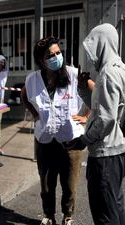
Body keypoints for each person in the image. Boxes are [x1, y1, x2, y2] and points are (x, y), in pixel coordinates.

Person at [21, 36, 87, 225]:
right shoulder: (32, 79)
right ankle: (48, 216)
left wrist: (86, 116)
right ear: (41, 60)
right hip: (44, 138)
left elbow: (94, 91)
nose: (57, 57)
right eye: (51, 55)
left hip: (70, 139)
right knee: (46, 185)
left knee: (70, 184)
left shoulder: (73, 74)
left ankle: (68, 216)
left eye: (58, 53)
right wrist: (34, 113)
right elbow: (24, 94)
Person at [66, 23, 125, 225]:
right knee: (115, 206)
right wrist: (83, 90)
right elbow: (103, 107)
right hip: (116, 151)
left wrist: (84, 139)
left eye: (93, 47)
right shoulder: (119, 69)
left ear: (102, 44)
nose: (91, 55)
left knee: (105, 215)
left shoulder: (108, 73)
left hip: (105, 154)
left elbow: (106, 118)